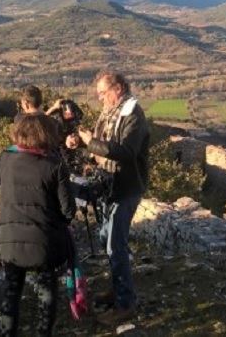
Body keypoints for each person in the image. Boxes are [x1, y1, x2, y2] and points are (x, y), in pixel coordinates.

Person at [0, 115, 77, 337]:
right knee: (47, 291)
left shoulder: (5, 158)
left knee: (11, 292)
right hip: (45, 243)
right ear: (47, 134)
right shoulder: (55, 165)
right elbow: (68, 211)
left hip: (10, 244)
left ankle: (8, 333)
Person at [65, 70, 150, 325]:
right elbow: (99, 144)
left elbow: (125, 152)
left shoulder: (133, 114)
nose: (101, 99)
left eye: (104, 93)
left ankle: (125, 304)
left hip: (125, 188)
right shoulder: (110, 113)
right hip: (109, 186)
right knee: (105, 238)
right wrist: (80, 142)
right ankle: (117, 287)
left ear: (119, 88)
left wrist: (91, 143)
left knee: (116, 246)